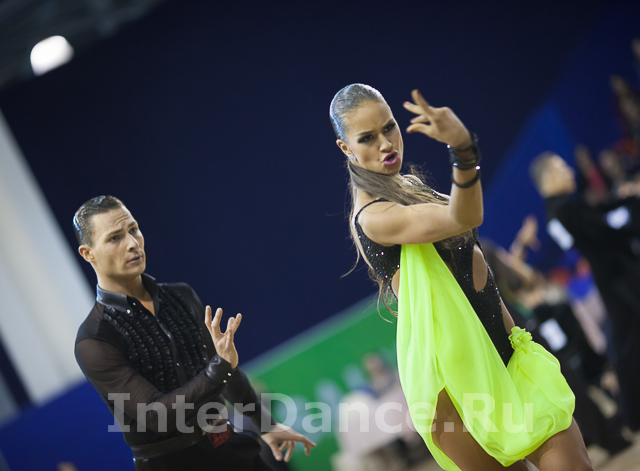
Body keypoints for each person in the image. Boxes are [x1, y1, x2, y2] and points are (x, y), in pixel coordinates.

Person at [329, 84, 590, 471]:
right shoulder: (372, 217)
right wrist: (463, 148)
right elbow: (464, 215)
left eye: (389, 127)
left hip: (509, 355)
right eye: (367, 138)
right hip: (456, 394)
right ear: (345, 147)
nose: (385, 143)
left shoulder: (411, 188)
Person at [73, 196, 316, 470]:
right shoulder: (94, 339)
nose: (132, 243)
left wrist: (265, 424)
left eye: (133, 229)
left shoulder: (181, 295)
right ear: (88, 253)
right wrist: (219, 368)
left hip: (227, 443)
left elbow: (225, 368)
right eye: (115, 238)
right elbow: (156, 416)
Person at [530, 152, 640, 432]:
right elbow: (604, 232)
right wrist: (631, 211)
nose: (569, 171)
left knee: (626, 340)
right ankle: (631, 411)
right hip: (619, 275)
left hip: (610, 277)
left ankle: (631, 411)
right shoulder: (565, 209)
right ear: (548, 179)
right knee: (625, 342)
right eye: (562, 167)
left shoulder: (558, 212)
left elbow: (598, 218)